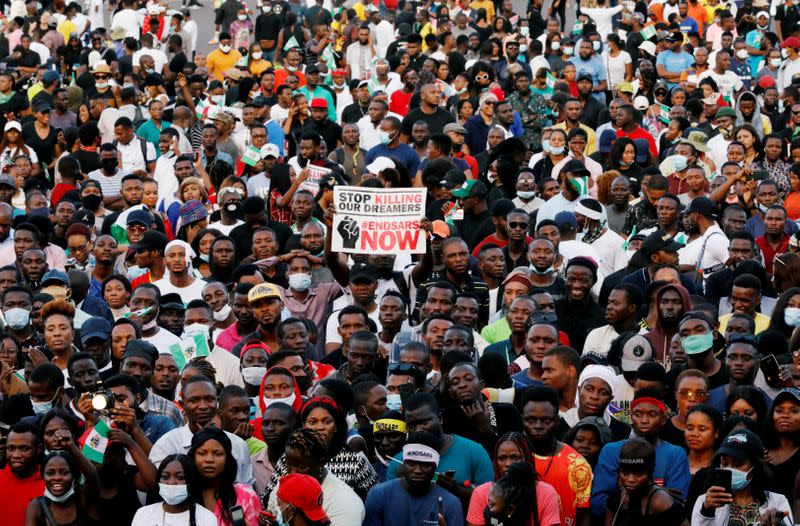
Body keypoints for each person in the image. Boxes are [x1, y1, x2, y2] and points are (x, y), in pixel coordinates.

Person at [691, 429, 793, 525]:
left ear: (755, 467)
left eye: (738, 464)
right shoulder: (705, 501)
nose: (729, 469)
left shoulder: (778, 501)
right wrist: (707, 512)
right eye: (724, 463)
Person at [264, 428, 365, 525]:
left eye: (302, 466)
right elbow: (275, 515)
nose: (293, 473)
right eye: (289, 465)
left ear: (322, 462)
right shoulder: (285, 486)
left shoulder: (345, 503)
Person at [364, 431, 465, 526]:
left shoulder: (451, 503)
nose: (417, 470)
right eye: (411, 463)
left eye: (425, 465)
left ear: (435, 467)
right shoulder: (379, 494)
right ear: (404, 463)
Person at [465, 431, 561, 526]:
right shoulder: (481, 493)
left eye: (515, 457)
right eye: (502, 458)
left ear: (527, 458)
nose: (508, 464)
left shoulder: (546, 493)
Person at [606, 439, 689, 525]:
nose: (630, 479)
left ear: (650, 472)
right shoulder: (616, 498)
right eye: (625, 473)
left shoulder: (660, 501)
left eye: (638, 474)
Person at [132, 454, 217, 526]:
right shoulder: (143, 513)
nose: (171, 482)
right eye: (165, 477)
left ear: (192, 481)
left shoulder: (206, 518)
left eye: (180, 477)